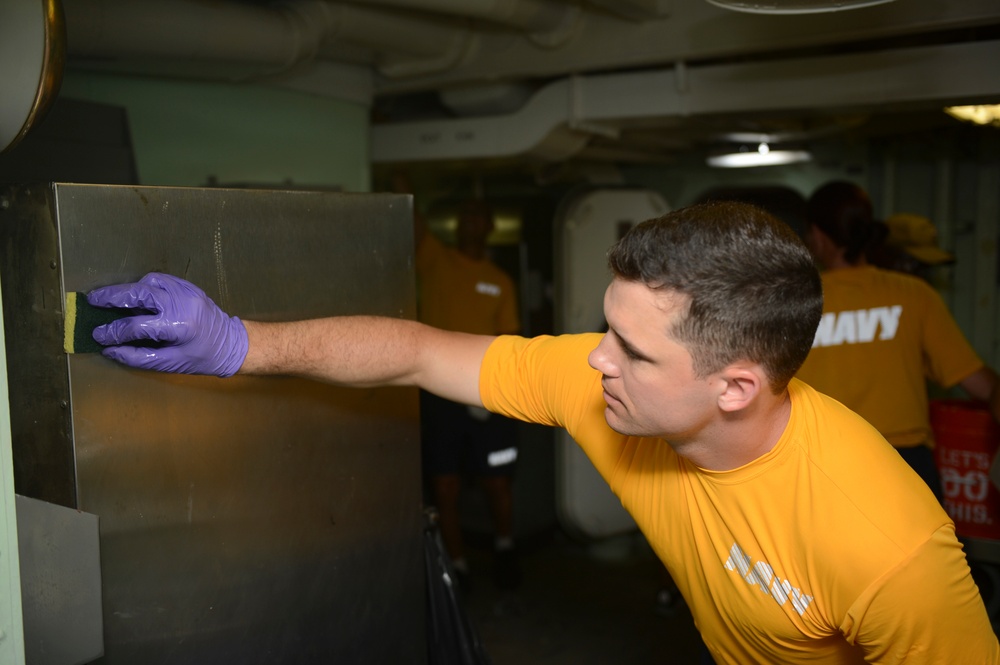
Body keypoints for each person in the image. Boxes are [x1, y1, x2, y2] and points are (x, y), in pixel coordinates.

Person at [85, 200, 999, 663]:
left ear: (735, 386)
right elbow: (417, 352)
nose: (596, 360)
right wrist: (242, 343)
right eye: (607, 329)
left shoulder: (889, 548)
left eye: (632, 351)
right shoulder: (605, 383)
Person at [795, 181, 1000, 502]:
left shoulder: (794, 302)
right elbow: (976, 380)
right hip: (904, 466)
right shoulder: (914, 295)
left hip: (820, 465)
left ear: (818, 237)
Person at [414, 198, 522, 591]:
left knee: (498, 483)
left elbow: (510, 342)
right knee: (445, 484)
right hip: (440, 394)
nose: (471, 222)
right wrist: (404, 185)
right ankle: (456, 566)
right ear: (457, 225)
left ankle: (505, 550)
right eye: (466, 216)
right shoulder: (435, 261)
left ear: (490, 225)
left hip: (486, 394)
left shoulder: (500, 281)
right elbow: (412, 221)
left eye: (479, 215)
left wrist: (493, 394)